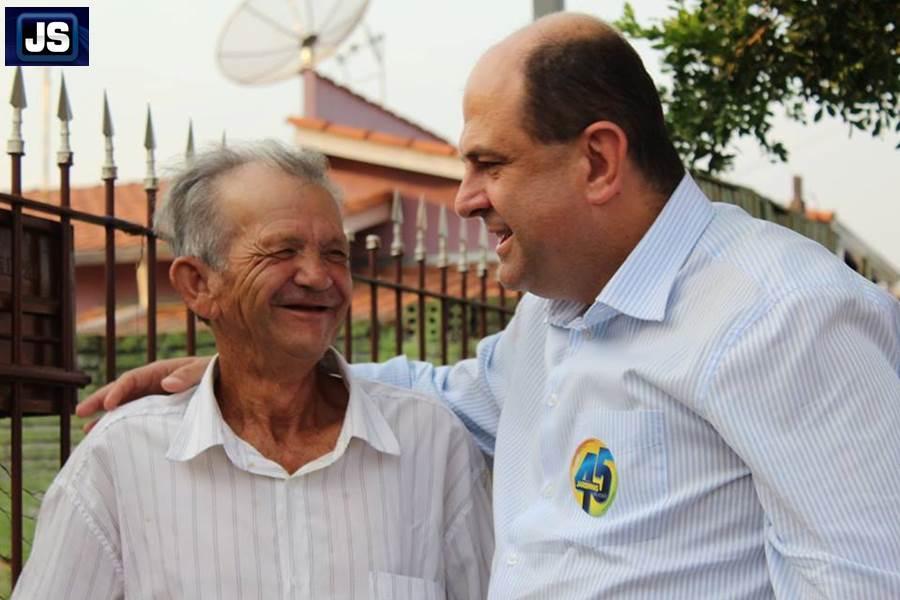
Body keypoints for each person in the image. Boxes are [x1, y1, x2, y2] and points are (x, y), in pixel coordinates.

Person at [79, 13, 900, 599]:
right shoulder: (559, 313)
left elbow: (860, 581)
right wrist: (260, 372)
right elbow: (442, 398)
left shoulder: (784, 316)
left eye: (489, 164)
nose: (465, 198)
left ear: (598, 161)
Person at [16, 142, 492, 599]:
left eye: (335, 254)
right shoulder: (122, 458)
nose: (317, 276)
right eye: (281, 252)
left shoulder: (430, 443)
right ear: (198, 285)